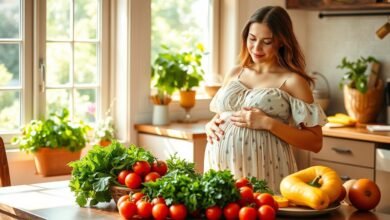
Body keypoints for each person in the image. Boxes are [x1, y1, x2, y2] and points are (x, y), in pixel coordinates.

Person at [203, 6, 327, 193]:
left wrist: (267, 123)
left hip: (266, 170)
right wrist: (210, 125)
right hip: (219, 170)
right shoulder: (235, 72)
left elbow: (315, 142)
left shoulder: (293, 81)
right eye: (252, 39)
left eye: (266, 42)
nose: (256, 48)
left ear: (281, 42)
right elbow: (226, 115)